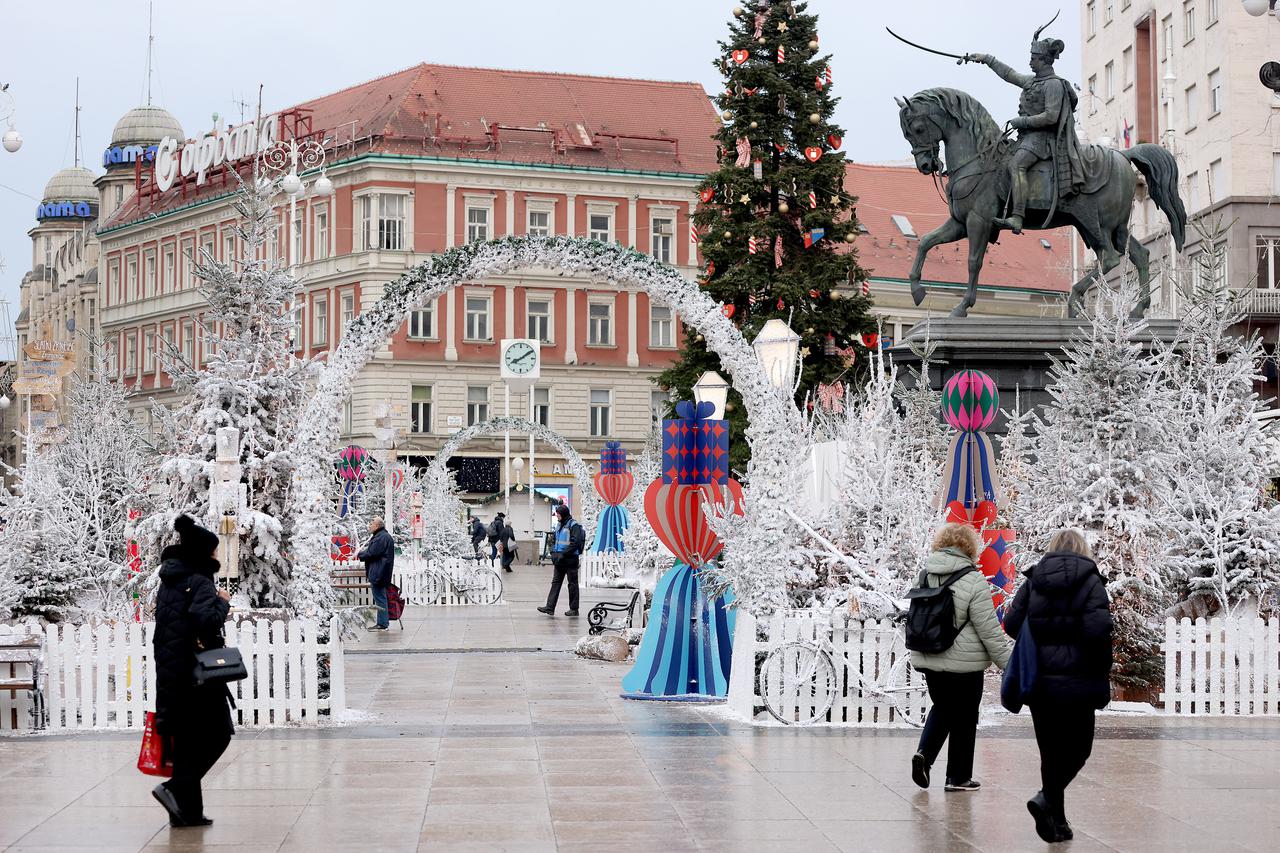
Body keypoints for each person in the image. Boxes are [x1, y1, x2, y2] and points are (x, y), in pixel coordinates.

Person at [1003, 529, 1113, 843]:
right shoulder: (1092, 583)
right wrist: (1101, 670)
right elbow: (1098, 633)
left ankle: (1056, 820)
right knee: (1080, 749)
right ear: (1083, 550)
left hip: (1040, 682)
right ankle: (1046, 801)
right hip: (1079, 681)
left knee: (1050, 754)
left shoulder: (1034, 581)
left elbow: (1011, 625)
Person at [910, 522, 1011, 793]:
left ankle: (924, 755)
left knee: (942, 707)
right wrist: (1009, 665)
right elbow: (988, 629)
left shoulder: (925, 575)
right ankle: (958, 777)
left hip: (929, 655)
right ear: (969, 547)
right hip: (965, 663)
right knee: (965, 716)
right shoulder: (973, 579)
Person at [150, 515, 233, 828]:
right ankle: (174, 788)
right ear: (202, 553)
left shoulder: (171, 580)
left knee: (186, 741)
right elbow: (205, 621)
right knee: (218, 735)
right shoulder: (199, 581)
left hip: (172, 669)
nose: (216, 557)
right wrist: (222, 602)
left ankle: (186, 813)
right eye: (212, 551)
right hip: (197, 675)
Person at [967, 23, 1085, 235]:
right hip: (1027, 138)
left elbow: (1051, 116)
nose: (1030, 61)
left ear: (1044, 60)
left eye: (1034, 58)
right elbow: (1009, 74)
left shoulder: (1053, 85)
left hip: (1043, 140)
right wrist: (986, 59)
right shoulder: (1033, 81)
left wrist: (1022, 122)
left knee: (1017, 165)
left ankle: (1018, 216)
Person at [537, 504, 585, 617]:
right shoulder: (559, 525)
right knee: (556, 583)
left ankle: (574, 609)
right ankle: (550, 607)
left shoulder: (574, 525)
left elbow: (575, 543)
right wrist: (553, 552)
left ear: (563, 514)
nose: (557, 516)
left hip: (570, 559)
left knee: (572, 584)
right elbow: (554, 540)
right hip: (560, 559)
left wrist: (563, 554)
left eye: (558, 514)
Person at [358, 517, 395, 630]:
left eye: (371, 523)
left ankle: (383, 624)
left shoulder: (381, 537)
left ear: (377, 526)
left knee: (380, 598)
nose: (369, 525)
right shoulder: (382, 536)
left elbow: (372, 552)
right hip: (380, 571)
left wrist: (360, 554)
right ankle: (382, 622)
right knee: (380, 597)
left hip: (379, 572)